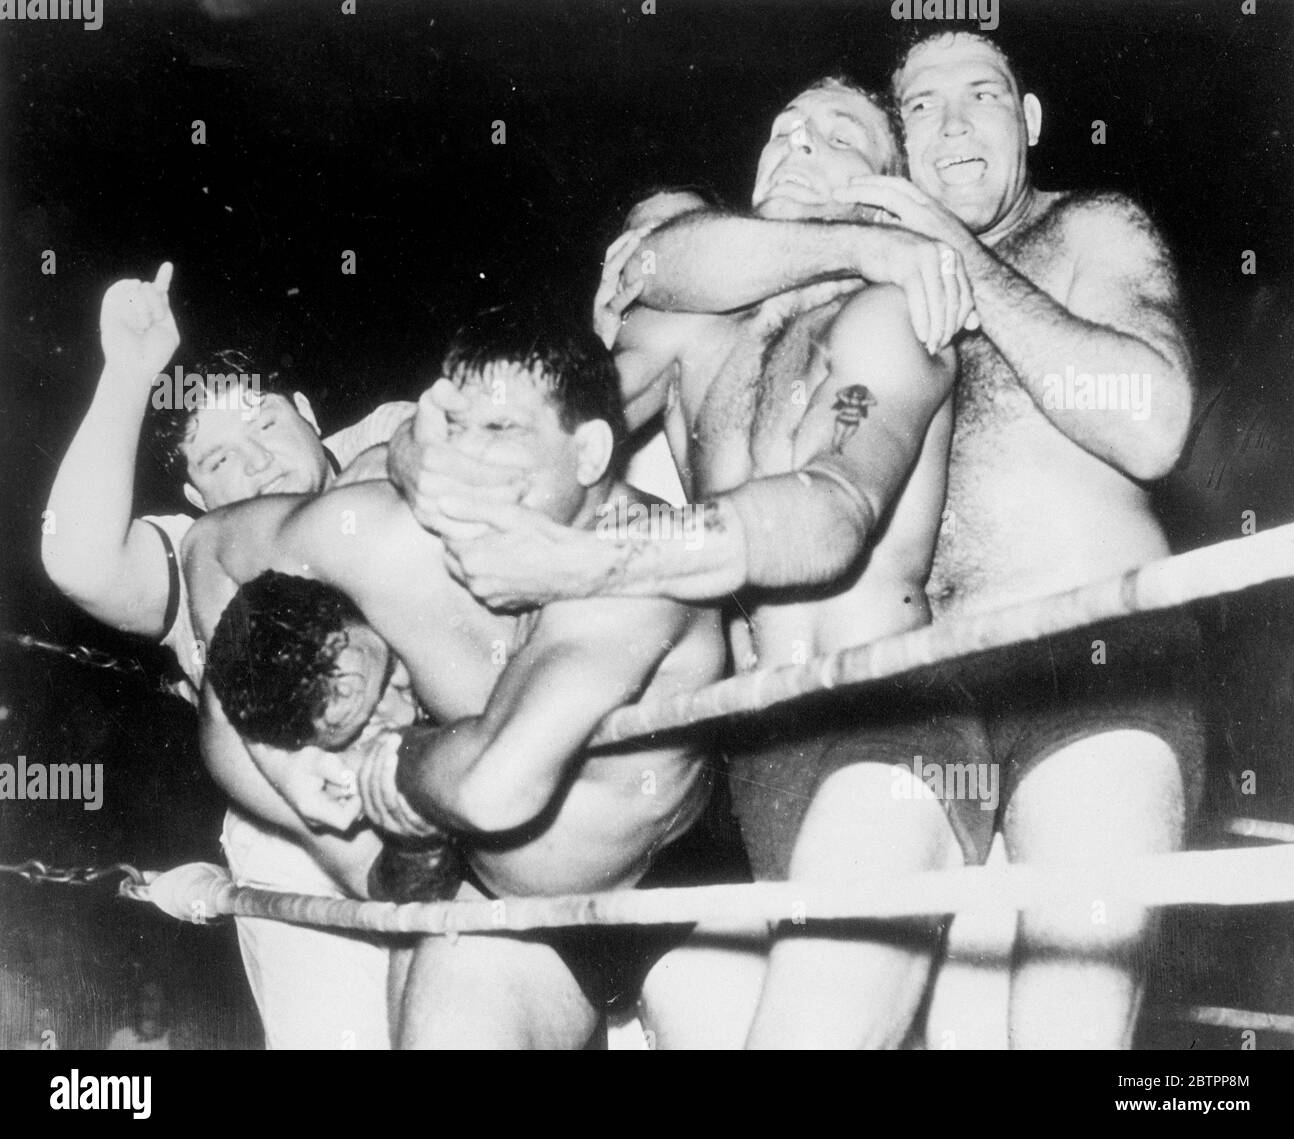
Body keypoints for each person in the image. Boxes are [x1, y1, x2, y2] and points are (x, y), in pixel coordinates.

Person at [569, 30, 1203, 1048]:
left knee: (1065, 1027)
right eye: (922, 105)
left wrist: (958, 261)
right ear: (898, 157)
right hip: (917, 694)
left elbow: (1153, 420)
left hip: (1081, 675)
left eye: (981, 94)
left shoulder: (1088, 229)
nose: (953, 122)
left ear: (1029, 121)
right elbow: (659, 264)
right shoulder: (824, 293)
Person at [386, 77, 982, 1049]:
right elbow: (548, 402)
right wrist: (424, 448)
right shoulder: (702, 335)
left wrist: (593, 560)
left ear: (889, 190)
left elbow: (829, 515)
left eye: (838, 136)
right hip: (743, 769)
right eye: (783, 129)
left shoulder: (888, 318)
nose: (797, 145)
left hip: (885, 735)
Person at [185, 309, 748, 1049]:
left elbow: (494, 782)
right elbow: (208, 549)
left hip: (679, 887)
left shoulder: (640, 565)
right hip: (504, 909)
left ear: (588, 455)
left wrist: (393, 763)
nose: (471, 473)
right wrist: (302, 781)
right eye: (457, 435)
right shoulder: (382, 537)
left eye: (505, 438)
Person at [41, 264, 414, 1048]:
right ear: (199, 500)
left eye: (266, 426)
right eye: (217, 462)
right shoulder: (197, 546)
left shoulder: (384, 437)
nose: (255, 466)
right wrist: (131, 375)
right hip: (301, 846)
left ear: (309, 413)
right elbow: (77, 556)